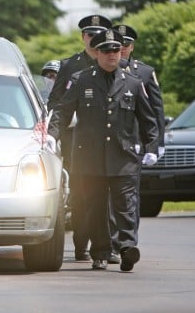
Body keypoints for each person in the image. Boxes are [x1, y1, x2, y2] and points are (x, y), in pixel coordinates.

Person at [57, 28, 159, 271]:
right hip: (90, 158)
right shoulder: (82, 80)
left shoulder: (133, 83)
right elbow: (63, 112)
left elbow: (148, 119)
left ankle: (126, 248)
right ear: (97, 53)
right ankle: (101, 252)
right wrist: (51, 136)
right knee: (96, 208)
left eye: (116, 49)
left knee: (127, 205)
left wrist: (152, 146)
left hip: (123, 157)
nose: (113, 54)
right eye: (107, 50)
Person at [47, 14, 113, 262]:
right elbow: (56, 104)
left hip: (108, 143)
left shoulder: (116, 65)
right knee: (81, 196)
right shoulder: (70, 66)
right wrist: (56, 134)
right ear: (83, 37)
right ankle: (81, 244)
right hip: (77, 142)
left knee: (107, 196)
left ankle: (106, 247)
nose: (94, 40)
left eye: (100, 35)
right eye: (89, 35)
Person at [105, 24, 166, 263]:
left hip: (135, 145)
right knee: (111, 197)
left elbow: (155, 112)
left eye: (127, 45)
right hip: (113, 145)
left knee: (129, 197)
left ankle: (128, 242)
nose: (123, 50)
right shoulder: (103, 71)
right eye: (119, 45)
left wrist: (155, 144)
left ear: (131, 47)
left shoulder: (144, 72)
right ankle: (112, 242)